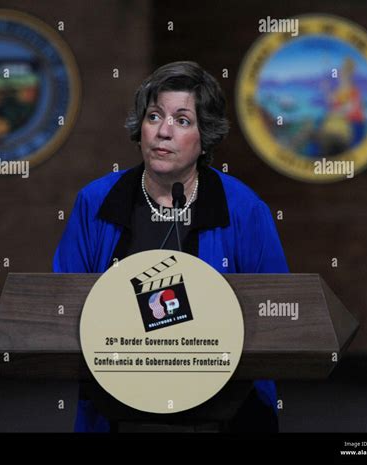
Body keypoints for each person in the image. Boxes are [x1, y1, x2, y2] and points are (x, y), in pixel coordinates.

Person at [53, 61, 289, 432]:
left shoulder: (244, 209)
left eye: (182, 120)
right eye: (154, 116)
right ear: (140, 128)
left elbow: (278, 311)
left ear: (204, 135)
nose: (163, 132)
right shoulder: (96, 201)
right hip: (119, 406)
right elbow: (61, 303)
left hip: (221, 410)